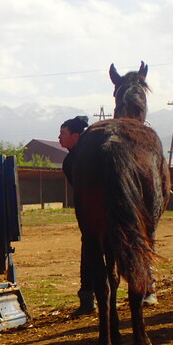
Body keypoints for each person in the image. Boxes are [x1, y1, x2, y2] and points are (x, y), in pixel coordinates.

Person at [59, 115, 96, 316]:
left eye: (62, 133)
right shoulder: (71, 160)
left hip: (93, 215)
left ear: (75, 136)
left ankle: (88, 299)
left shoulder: (80, 158)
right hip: (90, 214)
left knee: (92, 252)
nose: (59, 137)